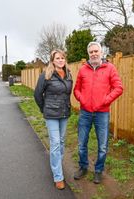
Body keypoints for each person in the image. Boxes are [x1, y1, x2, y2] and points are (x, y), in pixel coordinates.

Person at [73, 41, 123, 184]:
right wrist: (82, 99)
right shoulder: (83, 70)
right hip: (85, 113)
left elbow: (118, 88)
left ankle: (98, 170)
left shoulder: (110, 68)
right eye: (91, 52)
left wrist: (105, 100)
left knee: (102, 145)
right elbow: (76, 89)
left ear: (101, 52)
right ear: (88, 54)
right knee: (82, 143)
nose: (94, 54)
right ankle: (83, 167)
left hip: (102, 113)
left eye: (96, 51)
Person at [34, 49, 72, 190]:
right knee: (55, 143)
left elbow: (67, 94)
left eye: (62, 58)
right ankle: (58, 176)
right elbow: (37, 94)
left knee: (61, 141)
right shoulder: (46, 75)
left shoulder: (68, 75)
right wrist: (44, 109)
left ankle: (56, 164)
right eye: (57, 58)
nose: (60, 60)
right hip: (51, 114)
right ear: (52, 60)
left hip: (64, 113)